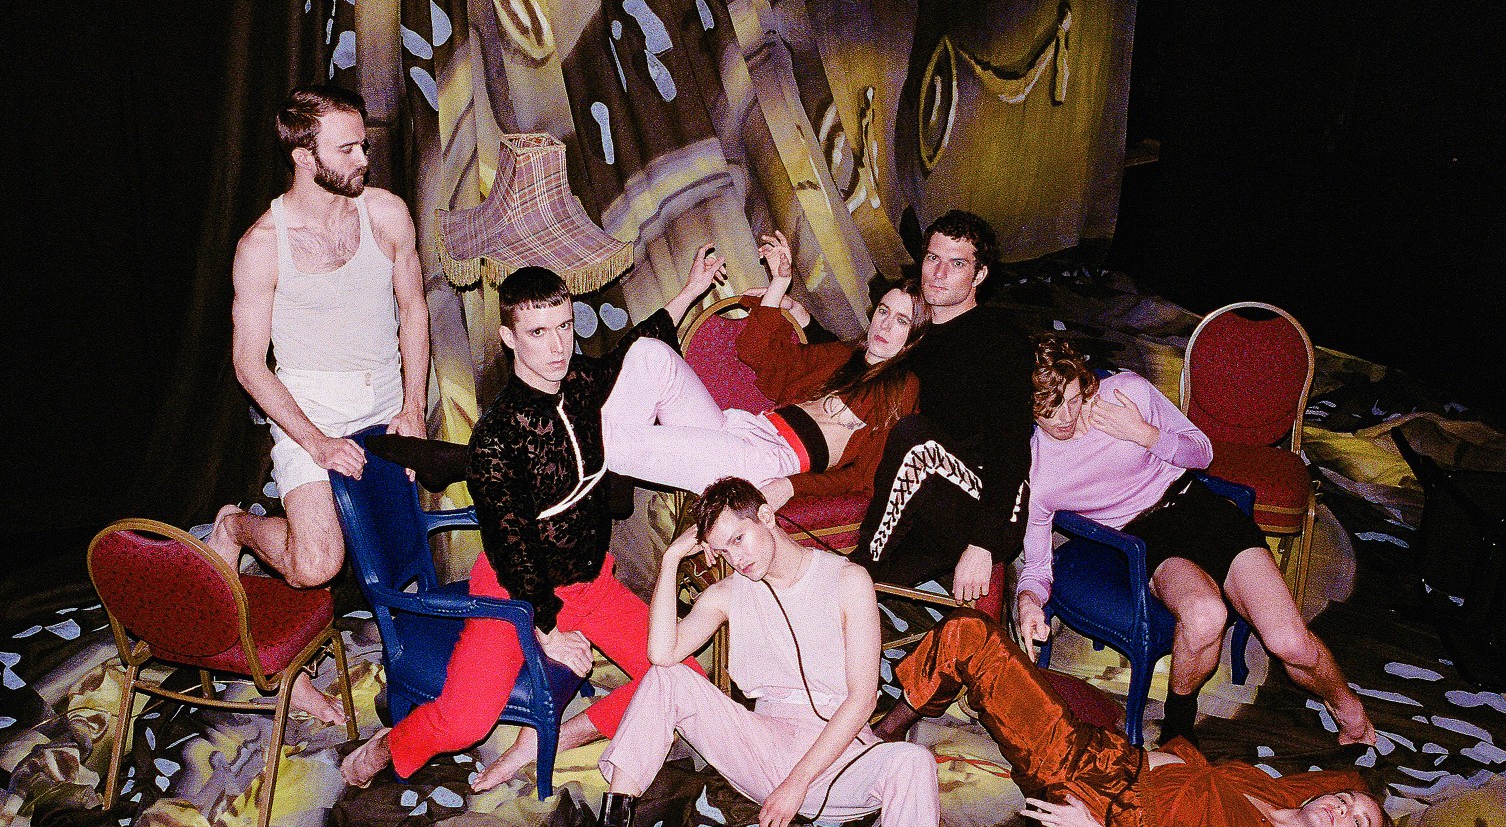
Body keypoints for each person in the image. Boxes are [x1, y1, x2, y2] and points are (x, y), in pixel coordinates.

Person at [548, 477, 944, 827]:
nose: (736, 558)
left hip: (836, 757)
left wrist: (796, 785)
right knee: (669, 678)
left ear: (767, 516)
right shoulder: (729, 593)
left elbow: (862, 701)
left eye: (739, 539)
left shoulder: (847, 581)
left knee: (913, 761)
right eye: (722, 549)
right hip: (765, 743)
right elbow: (662, 653)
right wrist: (671, 561)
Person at [340, 254, 723, 791]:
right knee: (465, 722)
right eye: (539, 332)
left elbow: (632, 352)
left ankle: (549, 739)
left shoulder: (581, 381)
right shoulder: (497, 436)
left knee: (684, 678)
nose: (558, 345)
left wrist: (689, 289)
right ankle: (389, 746)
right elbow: (509, 546)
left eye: (564, 326)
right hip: (515, 593)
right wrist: (547, 631)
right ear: (509, 337)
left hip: (590, 585)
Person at [864, 611, 1395, 827]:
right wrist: (1358, 754)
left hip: (1105, 826)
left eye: (1356, 823)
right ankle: (880, 737)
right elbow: (1355, 778)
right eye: (1345, 800)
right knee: (972, 636)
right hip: (1095, 755)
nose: (1342, 807)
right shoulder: (1282, 793)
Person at [1014, 333, 1375, 745]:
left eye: (1072, 398)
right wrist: (1028, 601)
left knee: (1288, 642)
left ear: (1081, 380)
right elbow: (1037, 566)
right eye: (1048, 410)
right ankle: (1179, 726)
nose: (1066, 417)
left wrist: (1146, 434)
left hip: (1201, 508)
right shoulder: (1040, 475)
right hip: (1147, 539)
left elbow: (1202, 452)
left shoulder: (1126, 392)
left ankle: (1347, 706)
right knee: (1204, 616)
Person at [206, 84, 431, 726]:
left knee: (400, 554)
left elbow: (414, 309)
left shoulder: (386, 214)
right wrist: (318, 442)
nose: (364, 159)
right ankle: (237, 526)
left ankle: (421, 663)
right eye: (347, 149)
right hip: (309, 415)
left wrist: (414, 406)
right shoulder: (262, 244)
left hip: (386, 406)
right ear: (304, 157)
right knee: (316, 564)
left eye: (364, 144)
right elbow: (249, 365)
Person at [600, 230, 927, 510]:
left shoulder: (902, 387)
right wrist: (779, 284)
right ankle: (613, 479)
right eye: (883, 311)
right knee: (649, 351)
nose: (885, 325)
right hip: (739, 428)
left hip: (766, 460)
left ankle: (605, 473)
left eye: (901, 320)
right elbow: (756, 351)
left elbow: (862, 477)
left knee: (612, 441)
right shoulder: (840, 355)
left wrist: (790, 486)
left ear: (913, 338)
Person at [853, 210, 1033, 603]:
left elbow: (1011, 447)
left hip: (990, 500)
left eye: (957, 264)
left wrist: (983, 543)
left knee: (915, 438)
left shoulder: (1000, 340)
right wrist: (793, 313)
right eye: (933, 258)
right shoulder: (913, 329)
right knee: (838, 595)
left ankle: (862, 568)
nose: (938, 273)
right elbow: (854, 368)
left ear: (979, 275)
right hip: (927, 492)